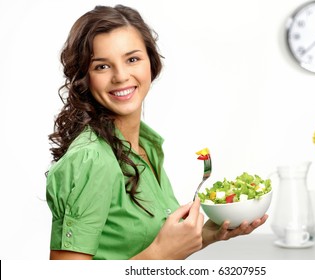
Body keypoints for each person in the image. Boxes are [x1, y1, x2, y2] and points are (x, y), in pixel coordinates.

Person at [46, 4, 268, 260]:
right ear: (84, 77)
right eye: (102, 66)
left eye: (132, 59)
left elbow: (141, 243)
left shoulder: (145, 146)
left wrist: (205, 234)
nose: (120, 76)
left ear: (151, 63)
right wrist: (161, 254)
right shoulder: (92, 159)